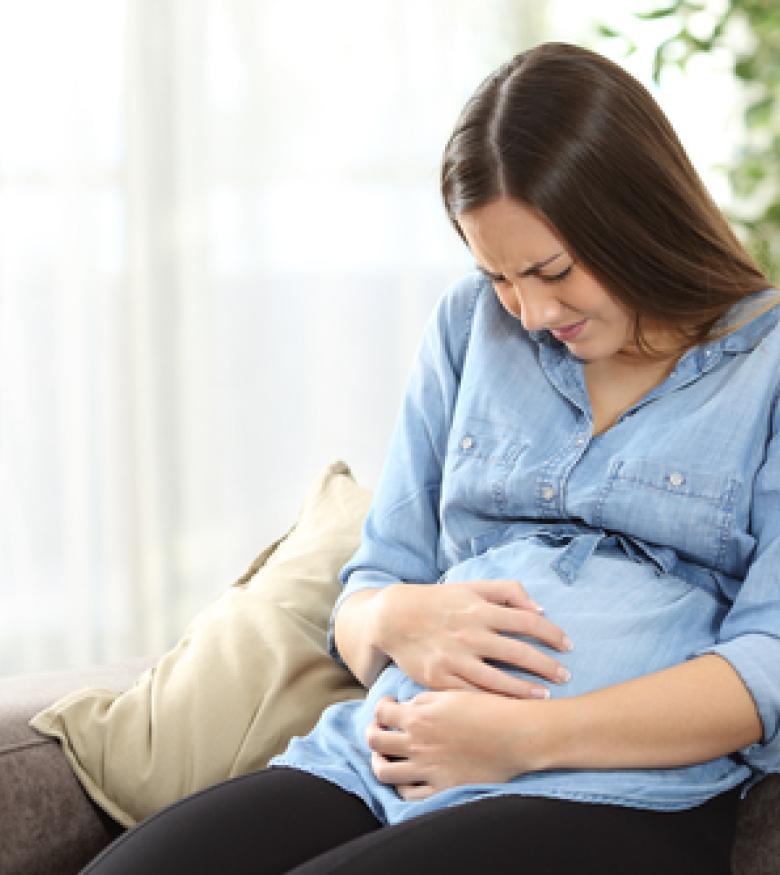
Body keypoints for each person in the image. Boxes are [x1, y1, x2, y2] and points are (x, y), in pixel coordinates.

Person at [83, 41, 780, 874]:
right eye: (498, 277)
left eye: (551, 271)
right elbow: (371, 584)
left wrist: (520, 739)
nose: (526, 311)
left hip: (610, 787)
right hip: (379, 758)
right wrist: (398, 618)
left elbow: (767, 664)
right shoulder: (466, 327)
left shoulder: (765, 364)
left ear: (637, 219)